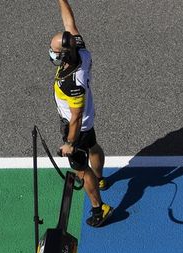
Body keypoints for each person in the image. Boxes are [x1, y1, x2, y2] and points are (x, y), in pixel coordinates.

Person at [49, 0, 112, 227]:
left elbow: (75, 117)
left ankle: (99, 209)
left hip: (77, 128)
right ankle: (102, 178)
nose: (51, 53)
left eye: (54, 51)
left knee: (82, 170)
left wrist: (70, 143)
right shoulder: (81, 51)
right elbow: (70, 21)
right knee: (94, 146)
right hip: (88, 122)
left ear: (64, 55)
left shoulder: (70, 83)